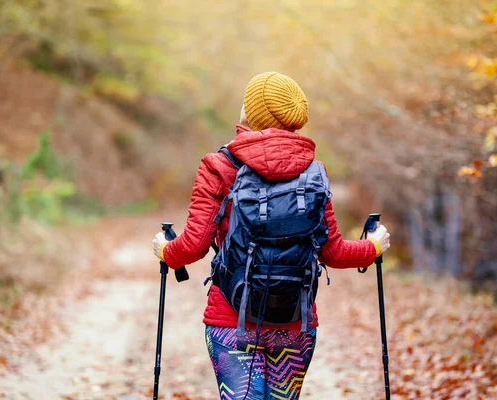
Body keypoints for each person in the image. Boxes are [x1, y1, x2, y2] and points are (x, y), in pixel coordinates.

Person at [153, 72, 390, 399]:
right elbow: (333, 252)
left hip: (230, 322)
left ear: (251, 114)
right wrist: (374, 246)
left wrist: (165, 249)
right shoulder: (313, 173)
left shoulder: (219, 167)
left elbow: (191, 247)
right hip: (296, 322)